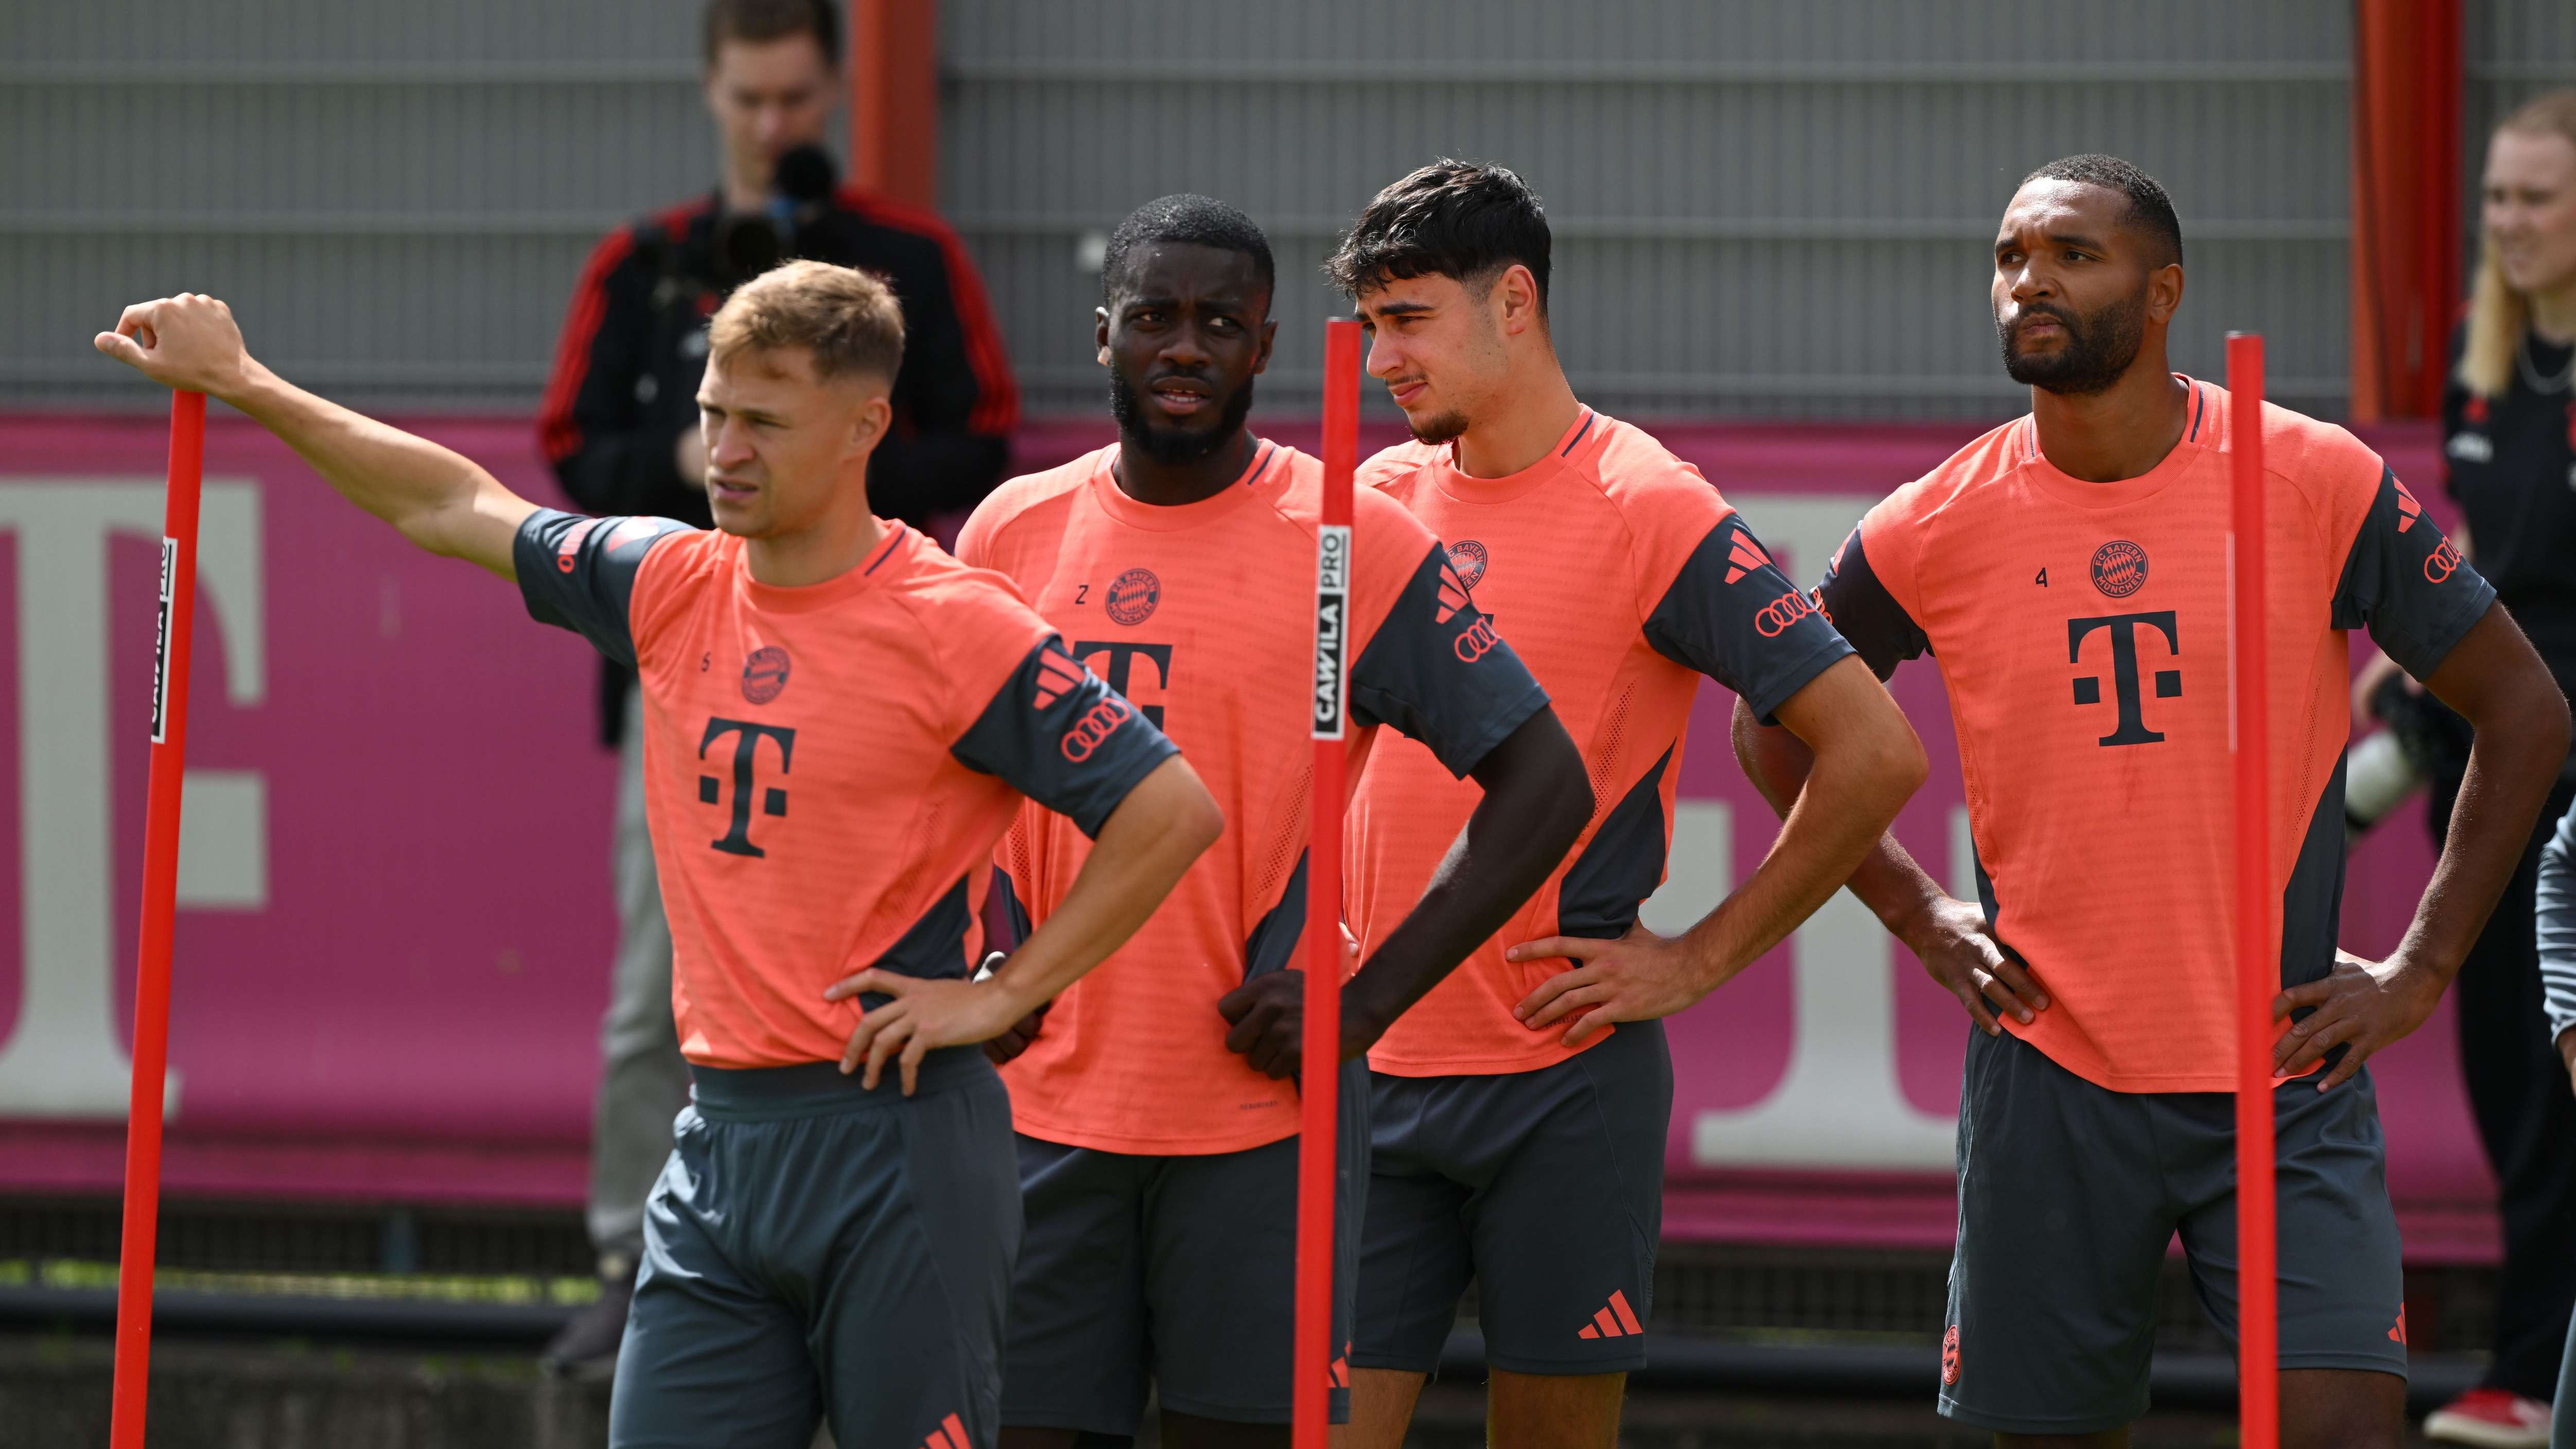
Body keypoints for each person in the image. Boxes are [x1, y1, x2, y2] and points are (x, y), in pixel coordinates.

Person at [94, 265, 1220, 1449]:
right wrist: (243, 381)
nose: (723, 452)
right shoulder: (666, 582)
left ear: (865, 428)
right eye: (710, 412)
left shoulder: (957, 624)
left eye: (762, 424)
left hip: (900, 1151)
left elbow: (1167, 807)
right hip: (719, 1150)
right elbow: (447, 506)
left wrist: (1004, 991)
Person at [1735, 154, 2570, 1448]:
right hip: (2050, 1071)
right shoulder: (1928, 523)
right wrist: (1915, 912)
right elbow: (1774, 733)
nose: (2031, 281)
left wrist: (2418, 970)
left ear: (2162, 290)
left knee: (2343, 1429)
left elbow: (2525, 711)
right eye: (2013, 255)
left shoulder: (2311, 476)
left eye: (2074, 254)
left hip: (2284, 1062)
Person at [956, 194, 1593, 1449]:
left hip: (1260, 1130)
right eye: (1152, 318)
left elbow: (1547, 783)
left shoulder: (1353, 542)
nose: (1182, 347)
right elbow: (945, 789)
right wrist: (975, 972)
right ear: (1103, 336)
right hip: (1035, 1116)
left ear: (1267, 346)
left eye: (1217, 322)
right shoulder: (1007, 533)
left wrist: (1365, 1002)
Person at [1320, 161, 1930, 1449]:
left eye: (1409, 318)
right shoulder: (1365, 505)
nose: (1382, 358)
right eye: (1369, 325)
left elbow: (1873, 751)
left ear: (1517, 302)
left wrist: (1698, 958)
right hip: (1364, 1064)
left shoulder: (1648, 504)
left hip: (1561, 1081)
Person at [533, 0, 1020, 1374]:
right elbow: (568, 446)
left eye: (796, 101)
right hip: (690, 666)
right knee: (653, 992)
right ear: (709, 93)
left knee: (884, 969)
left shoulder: (905, 256)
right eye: (748, 101)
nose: (771, 128)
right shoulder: (644, 263)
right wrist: (697, 473)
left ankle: (882, 1256)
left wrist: (831, 479)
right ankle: (638, 1259)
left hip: (880, 682)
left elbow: (980, 432)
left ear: (835, 96)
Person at [2392, 89, 2576, 1449]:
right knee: (2512, 1080)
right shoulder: (2480, 352)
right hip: (2489, 783)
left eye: (2534, 197)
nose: (2507, 224)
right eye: (2496, 198)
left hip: (2558, 780)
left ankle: (2533, 1374)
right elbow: (2486, 570)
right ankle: (2524, 1368)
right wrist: (2409, 664)